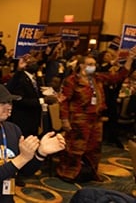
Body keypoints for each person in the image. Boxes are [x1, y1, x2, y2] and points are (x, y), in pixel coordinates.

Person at [0, 83, 66, 203]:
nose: (9, 106)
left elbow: (25, 171)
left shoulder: (13, 129)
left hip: (7, 198)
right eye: (2, 103)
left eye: (9, 102)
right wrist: (23, 157)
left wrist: (40, 153)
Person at [57, 49, 135, 182]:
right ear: (81, 65)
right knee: (76, 148)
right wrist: (64, 119)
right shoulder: (71, 81)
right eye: (90, 64)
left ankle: (91, 173)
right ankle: (68, 173)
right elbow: (64, 101)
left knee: (94, 148)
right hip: (79, 119)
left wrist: (130, 59)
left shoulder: (97, 78)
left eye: (94, 64)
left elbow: (118, 76)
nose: (93, 66)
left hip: (96, 119)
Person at [6, 54, 44, 138]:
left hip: (34, 119)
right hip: (23, 120)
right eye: (31, 62)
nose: (34, 64)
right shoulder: (20, 78)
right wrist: (41, 101)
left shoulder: (35, 77)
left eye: (35, 62)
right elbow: (19, 99)